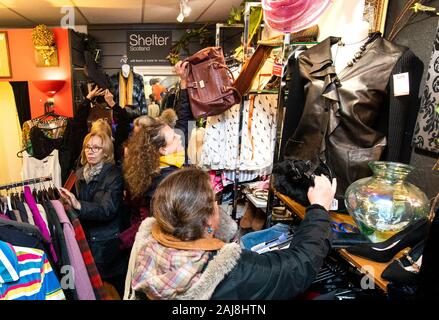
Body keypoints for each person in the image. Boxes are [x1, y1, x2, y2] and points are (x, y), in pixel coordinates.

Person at [124, 168, 336, 300]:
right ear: (206, 218)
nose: (218, 205)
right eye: (215, 201)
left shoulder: (147, 246)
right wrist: (319, 208)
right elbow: (297, 266)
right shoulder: (230, 271)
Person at [119, 61, 194, 251]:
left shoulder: (160, 163)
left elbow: (183, 121)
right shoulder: (163, 180)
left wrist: (183, 83)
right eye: (173, 137)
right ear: (162, 149)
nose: (179, 136)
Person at [59, 130, 127, 297]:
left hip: (108, 243)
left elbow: (107, 210)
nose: (90, 151)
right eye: (88, 147)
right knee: (93, 287)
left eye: (96, 148)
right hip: (86, 238)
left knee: (119, 287)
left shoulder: (114, 175)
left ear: (105, 152)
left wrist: (77, 204)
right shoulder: (80, 172)